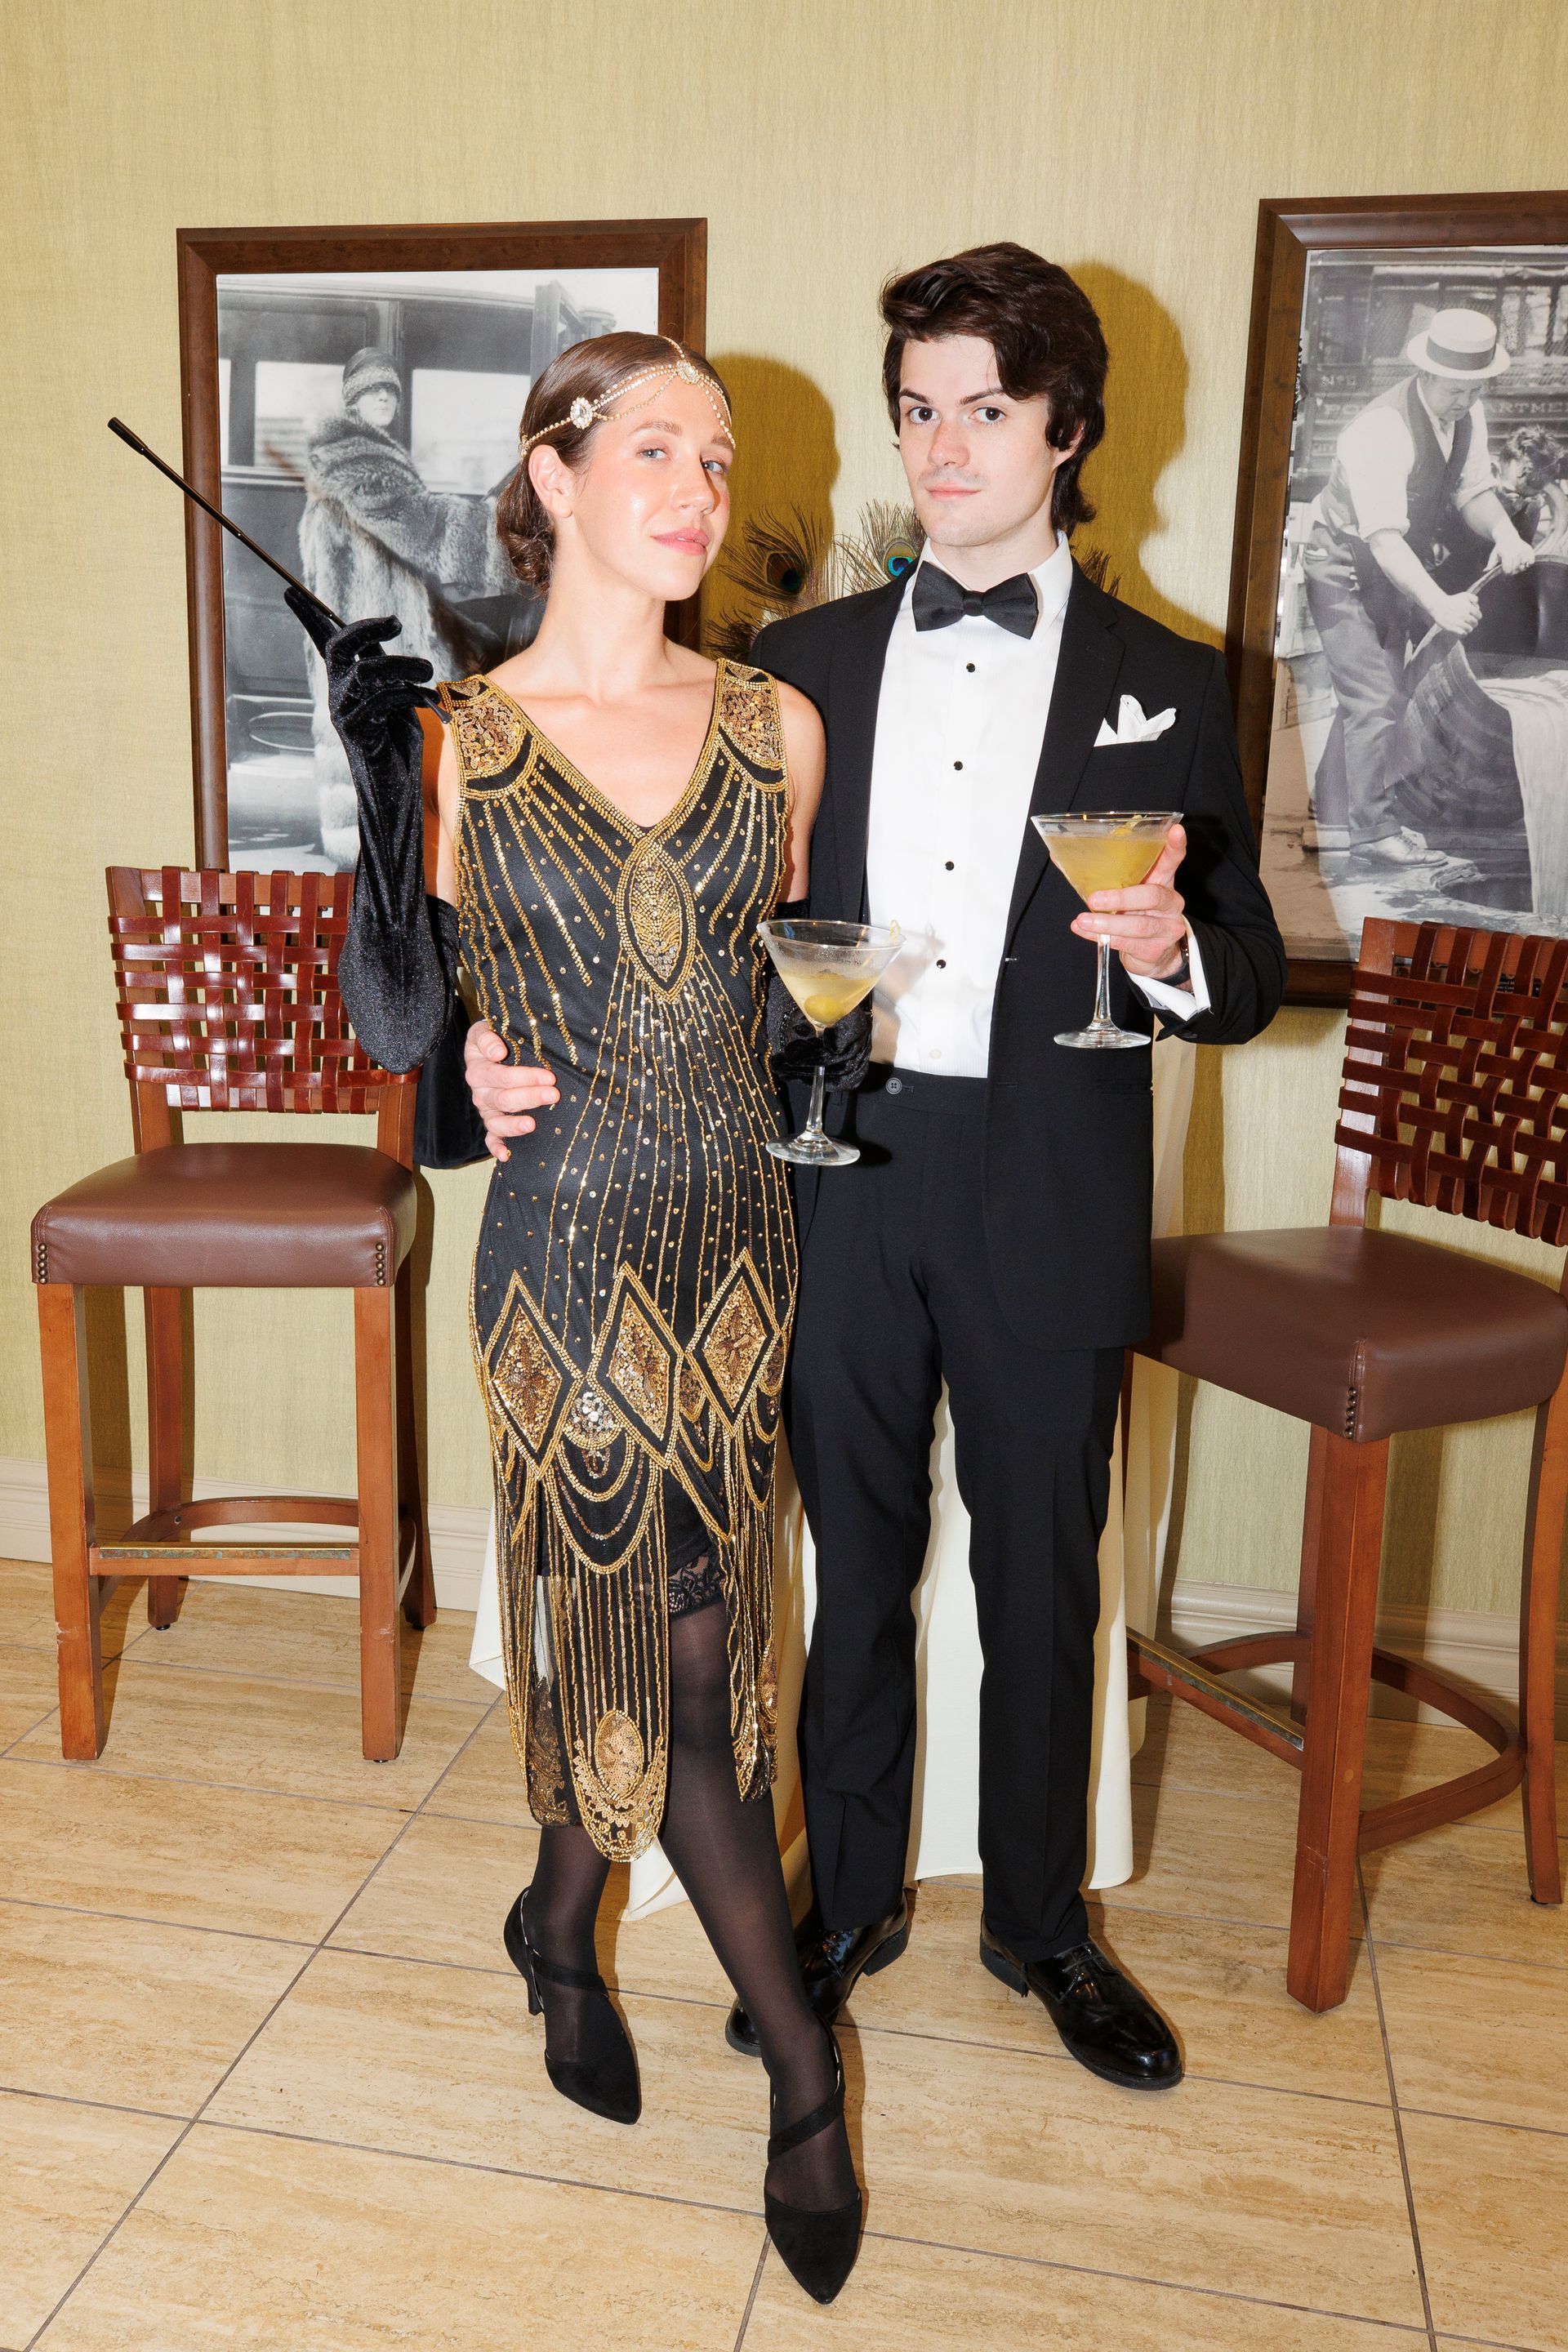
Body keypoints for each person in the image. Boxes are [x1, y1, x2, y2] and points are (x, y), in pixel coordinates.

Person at [466, 245, 1287, 2096]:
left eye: (980, 409)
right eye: (917, 407)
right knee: (844, 1562)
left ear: (1067, 427)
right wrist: (488, 1046)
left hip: (1047, 1185)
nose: (940, 443)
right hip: (829, 1175)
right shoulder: (800, 669)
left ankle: (1044, 1927)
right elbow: (639, 923)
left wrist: (1160, 940)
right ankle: (838, 1906)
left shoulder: (1168, 680)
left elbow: (1231, 975)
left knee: (1043, 1567)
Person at [287, 332, 868, 2307]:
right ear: (550, 475)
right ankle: (802, 2073)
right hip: (564, 1264)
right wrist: (382, 794)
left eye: (715, 451)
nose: (698, 481)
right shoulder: (456, 734)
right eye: (653, 444)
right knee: (679, 1651)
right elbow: (397, 1030)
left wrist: (830, 1068)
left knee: (676, 1629)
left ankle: (557, 1919)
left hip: (738, 1254)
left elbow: (775, 975)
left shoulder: (775, 726)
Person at [1301, 307, 1535, 863]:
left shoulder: (1467, 418)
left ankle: (1330, 816)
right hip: (1342, 562)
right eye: (1457, 391)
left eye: (1476, 391)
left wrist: (1505, 532)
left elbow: (1473, 493)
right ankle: (1375, 835)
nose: (1466, 402)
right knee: (1375, 696)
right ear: (1427, 374)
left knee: (1380, 689)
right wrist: (1440, 604)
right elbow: (1383, 540)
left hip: (1386, 564)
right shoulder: (1381, 430)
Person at [299, 345, 518, 865]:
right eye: (373, 390)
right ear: (352, 399)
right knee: (382, 792)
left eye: (390, 391)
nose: (384, 399)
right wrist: (515, 539)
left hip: (371, 632)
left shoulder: (357, 452)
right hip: (371, 639)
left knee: (376, 778)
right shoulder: (354, 455)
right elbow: (422, 528)